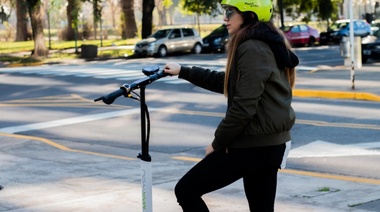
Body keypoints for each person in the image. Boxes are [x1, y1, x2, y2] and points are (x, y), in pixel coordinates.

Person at [163, 0, 298, 211]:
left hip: (255, 146)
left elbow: (243, 107)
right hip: (267, 146)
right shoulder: (264, 43)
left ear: (249, 14)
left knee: (186, 190)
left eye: (229, 12)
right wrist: (183, 71)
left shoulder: (252, 47)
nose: (225, 17)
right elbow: (228, 83)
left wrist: (217, 143)